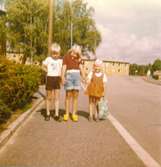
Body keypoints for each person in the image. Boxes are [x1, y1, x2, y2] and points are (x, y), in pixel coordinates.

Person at [61, 44, 85, 122]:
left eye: (77, 54)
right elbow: (64, 67)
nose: (75, 55)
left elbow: (81, 68)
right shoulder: (66, 56)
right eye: (74, 53)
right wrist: (62, 77)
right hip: (69, 77)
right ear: (71, 50)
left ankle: (74, 114)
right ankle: (66, 114)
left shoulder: (79, 58)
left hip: (77, 77)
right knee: (68, 96)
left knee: (75, 96)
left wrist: (84, 77)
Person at [42, 43, 62, 121]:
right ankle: (48, 113)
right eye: (53, 53)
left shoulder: (60, 60)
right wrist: (47, 71)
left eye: (56, 53)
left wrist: (62, 77)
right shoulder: (48, 59)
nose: (55, 55)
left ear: (59, 53)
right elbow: (43, 66)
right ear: (51, 53)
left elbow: (63, 68)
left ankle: (56, 114)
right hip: (50, 78)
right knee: (49, 97)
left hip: (57, 79)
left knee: (57, 97)